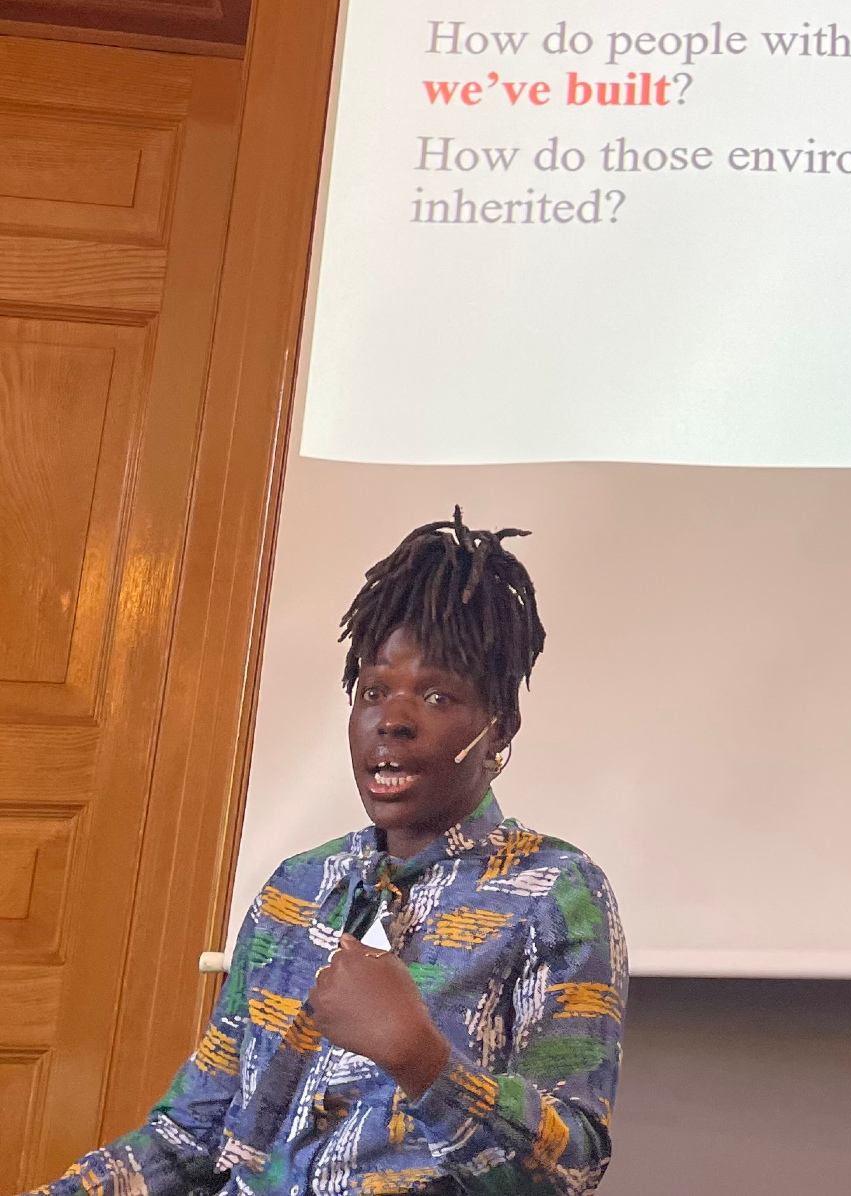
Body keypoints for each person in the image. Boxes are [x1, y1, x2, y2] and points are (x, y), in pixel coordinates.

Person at [32, 511, 626, 1196]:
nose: (392, 720)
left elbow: (570, 1167)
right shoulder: (299, 886)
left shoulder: (556, 892)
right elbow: (190, 1137)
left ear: (498, 731)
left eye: (436, 695)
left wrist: (423, 1061)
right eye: (373, 692)